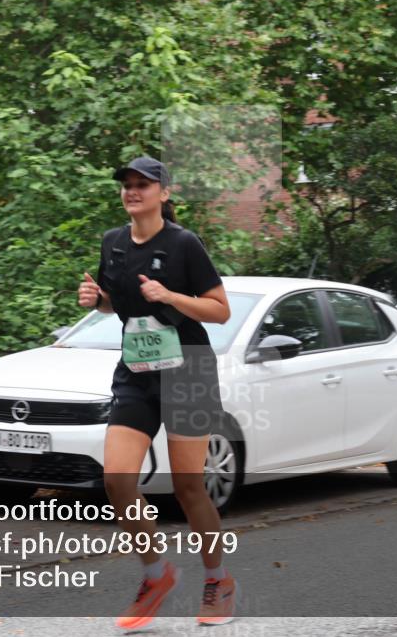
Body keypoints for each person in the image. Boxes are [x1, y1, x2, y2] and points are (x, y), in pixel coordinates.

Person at [77, 156, 237, 629]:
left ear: (164, 194)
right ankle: (156, 573)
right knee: (117, 480)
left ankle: (218, 580)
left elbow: (220, 310)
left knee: (189, 487)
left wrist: (171, 297)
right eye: (127, 185)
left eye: (143, 185)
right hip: (137, 371)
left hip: (188, 370)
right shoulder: (113, 243)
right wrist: (99, 301)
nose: (132, 191)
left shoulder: (184, 244)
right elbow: (117, 301)